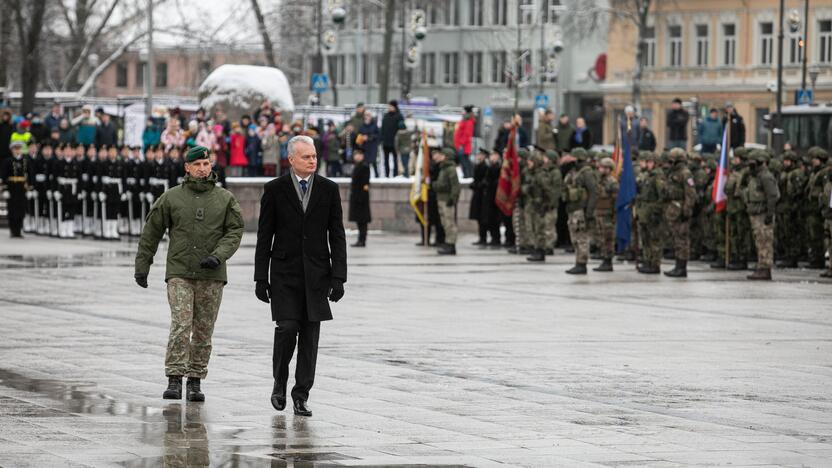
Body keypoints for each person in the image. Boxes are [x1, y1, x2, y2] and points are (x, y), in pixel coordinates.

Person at [134, 145, 244, 402]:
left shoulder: (224, 199)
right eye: (197, 165)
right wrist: (143, 265)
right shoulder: (172, 197)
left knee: (204, 330)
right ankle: (174, 377)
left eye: (206, 164)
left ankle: (195, 380)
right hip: (180, 271)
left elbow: (235, 231)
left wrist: (218, 255)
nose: (203, 169)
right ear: (187, 167)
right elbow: (151, 232)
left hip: (212, 273)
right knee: (181, 325)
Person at [254, 135, 346, 417]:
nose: (313, 161)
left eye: (315, 156)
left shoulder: (329, 189)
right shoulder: (275, 189)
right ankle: (279, 383)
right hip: (284, 274)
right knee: (287, 329)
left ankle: (301, 394)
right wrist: (261, 277)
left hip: (317, 274)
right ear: (291, 159)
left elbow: (337, 235)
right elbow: (264, 235)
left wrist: (338, 277)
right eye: (306, 157)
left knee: (310, 336)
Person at [743, 150, 780, 280]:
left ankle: (765, 268)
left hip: (763, 214)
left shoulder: (766, 176)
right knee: (760, 241)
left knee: (765, 241)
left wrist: (770, 214)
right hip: (756, 214)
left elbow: (772, 196)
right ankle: (761, 265)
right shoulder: (755, 176)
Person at [661, 147, 696, 278]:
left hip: (681, 210)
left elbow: (691, 194)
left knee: (682, 239)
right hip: (673, 209)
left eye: (672, 160)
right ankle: (678, 265)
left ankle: (682, 267)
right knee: (676, 239)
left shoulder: (685, 173)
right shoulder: (673, 172)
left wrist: (686, 210)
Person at [562, 148, 597, 274]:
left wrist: (589, 212)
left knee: (582, 238)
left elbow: (593, 193)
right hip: (572, 209)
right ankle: (578, 261)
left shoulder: (586, 173)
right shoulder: (572, 172)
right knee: (575, 238)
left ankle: (582, 264)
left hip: (581, 210)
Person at [636, 152, 663, 274]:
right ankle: (648, 261)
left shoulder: (658, 177)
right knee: (645, 239)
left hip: (652, 212)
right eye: (647, 162)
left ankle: (655, 264)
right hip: (644, 211)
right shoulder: (648, 176)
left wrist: (656, 211)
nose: (648, 164)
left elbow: (662, 196)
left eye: (650, 162)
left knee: (654, 239)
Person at [432, 147, 461, 255]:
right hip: (441, 199)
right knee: (445, 223)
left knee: (449, 224)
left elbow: (455, 187)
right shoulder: (443, 168)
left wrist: (452, 199)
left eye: (442, 155)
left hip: (447, 200)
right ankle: (448, 242)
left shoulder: (450, 169)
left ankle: (451, 244)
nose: (440, 156)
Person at [593, 158, 620, 271]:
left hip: (608, 215)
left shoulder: (612, 182)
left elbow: (616, 200)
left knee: (608, 239)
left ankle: (608, 261)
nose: (600, 169)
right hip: (599, 213)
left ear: (609, 169)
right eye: (600, 167)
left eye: (603, 167)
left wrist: (614, 216)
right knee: (601, 238)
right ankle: (604, 258)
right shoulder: (599, 180)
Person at [0, 141, 30, 238]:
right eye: (15, 149)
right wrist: (5, 189)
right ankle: (13, 230)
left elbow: (29, 175)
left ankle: (19, 230)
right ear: (12, 150)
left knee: (21, 209)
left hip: (22, 188)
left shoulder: (25, 161)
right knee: (12, 209)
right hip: (12, 187)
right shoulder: (7, 161)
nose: (17, 151)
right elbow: (4, 176)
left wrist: (30, 188)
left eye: (19, 149)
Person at [348, 148, 371, 247]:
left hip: (361, 198)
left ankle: (362, 240)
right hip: (356, 197)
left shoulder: (364, 167)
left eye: (358, 154)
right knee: (359, 220)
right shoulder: (357, 166)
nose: (356, 156)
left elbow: (365, 184)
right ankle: (360, 240)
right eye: (355, 154)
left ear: (362, 156)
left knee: (362, 221)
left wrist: (361, 198)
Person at [470, 148, 489, 246]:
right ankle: (481, 237)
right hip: (477, 195)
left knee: (483, 218)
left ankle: (484, 237)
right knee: (478, 217)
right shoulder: (477, 166)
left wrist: (478, 185)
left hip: (483, 196)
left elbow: (485, 181)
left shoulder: (486, 167)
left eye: (481, 155)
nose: (479, 157)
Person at [381, 100, 403, 178]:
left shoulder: (399, 116)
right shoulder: (386, 116)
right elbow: (382, 129)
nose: (389, 108)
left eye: (391, 106)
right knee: (386, 160)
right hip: (386, 142)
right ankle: (387, 175)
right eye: (389, 106)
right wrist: (382, 139)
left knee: (395, 160)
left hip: (395, 142)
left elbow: (402, 128)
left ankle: (395, 175)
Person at [357, 112, 380, 178]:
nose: (367, 117)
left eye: (368, 115)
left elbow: (378, 135)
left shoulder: (374, 126)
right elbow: (358, 136)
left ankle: (377, 176)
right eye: (366, 116)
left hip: (372, 146)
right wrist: (362, 138)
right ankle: (366, 177)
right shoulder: (362, 126)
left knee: (374, 162)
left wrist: (369, 137)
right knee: (365, 163)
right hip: (365, 147)